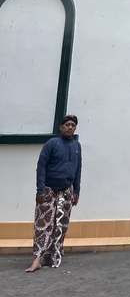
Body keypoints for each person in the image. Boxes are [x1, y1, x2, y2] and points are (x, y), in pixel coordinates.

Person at [25, 114, 82, 272]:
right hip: (49, 190)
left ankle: (53, 256)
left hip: (67, 191)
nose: (70, 127)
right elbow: (41, 166)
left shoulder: (77, 146)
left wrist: (76, 191)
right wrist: (40, 189)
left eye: (73, 125)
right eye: (67, 125)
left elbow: (78, 169)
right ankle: (37, 258)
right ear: (61, 127)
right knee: (43, 224)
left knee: (61, 224)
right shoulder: (52, 144)